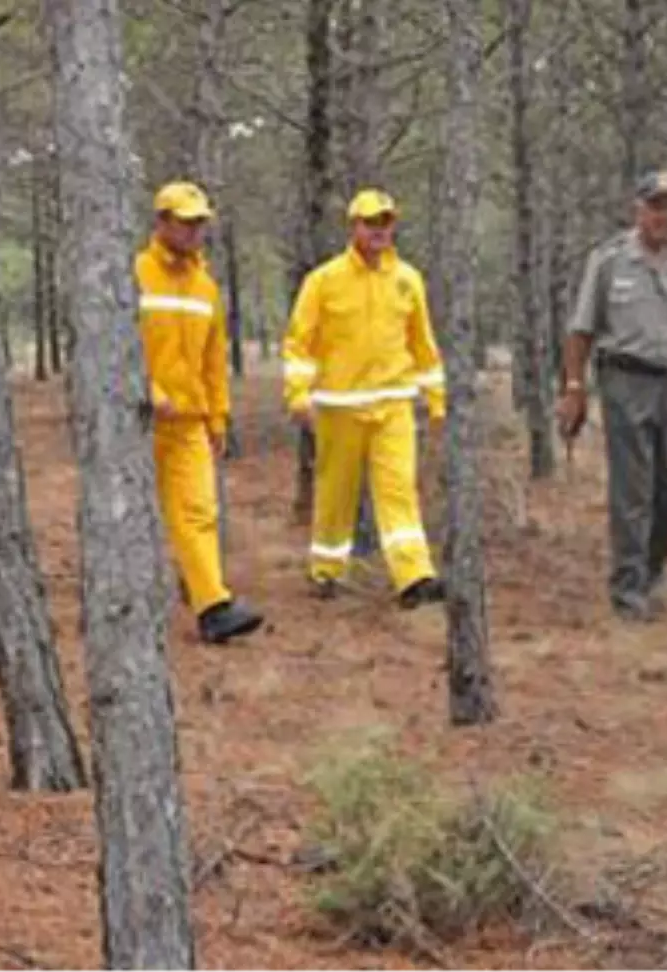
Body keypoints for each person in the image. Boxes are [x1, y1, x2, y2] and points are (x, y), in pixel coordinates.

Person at [558, 168, 667, 621]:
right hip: (627, 382)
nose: (664, 215)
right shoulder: (610, 259)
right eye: (656, 205)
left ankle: (651, 565)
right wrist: (574, 388)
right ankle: (629, 592)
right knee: (632, 493)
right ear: (638, 209)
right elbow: (581, 330)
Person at [283, 188, 447, 608]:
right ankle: (326, 571)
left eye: (386, 222)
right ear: (353, 226)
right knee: (335, 493)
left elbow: (423, 345)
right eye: (371, 222)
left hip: (394, 404)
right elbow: (299, 342)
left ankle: (414, 577)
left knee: (399, 491)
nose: (380, 230)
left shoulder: (408, 280)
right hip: (340, 406)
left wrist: (435, 397)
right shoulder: (324, 281)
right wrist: (298, 394)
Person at [135, 181, 264, 644]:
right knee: (129, 518)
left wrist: (217, 417)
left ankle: (212, 606)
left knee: (198, 512)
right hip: (136, 424)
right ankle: (121, 603)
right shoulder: (134, 274)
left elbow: (213, 359)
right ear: (162, 221)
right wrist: (145, 390)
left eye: (200, 222)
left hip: (188, 422)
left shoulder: (206, 286)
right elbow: (111, 345)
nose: (195, 230)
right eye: (186, 221)